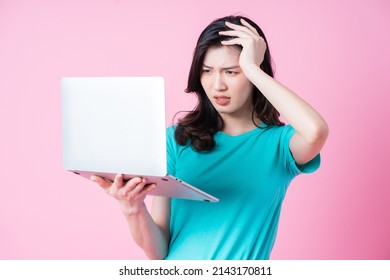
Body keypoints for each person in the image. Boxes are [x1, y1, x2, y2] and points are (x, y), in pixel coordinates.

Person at [90, 15, 329, 260]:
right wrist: (132, 208)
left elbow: (316, 131)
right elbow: (158, 252)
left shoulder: (280, 145)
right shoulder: (176, 140)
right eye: (207, 71)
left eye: (232, 72)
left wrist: (253, 69)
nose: (217, 85)